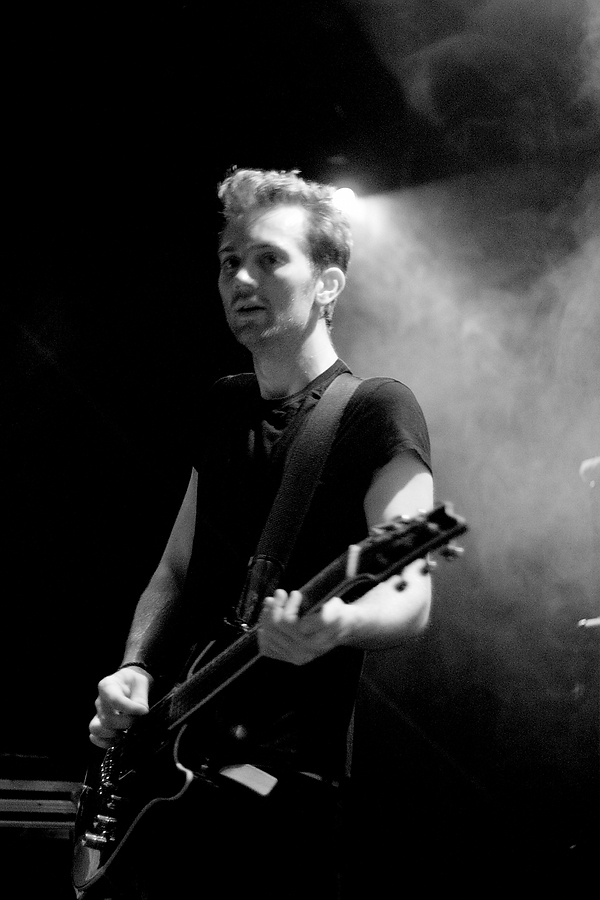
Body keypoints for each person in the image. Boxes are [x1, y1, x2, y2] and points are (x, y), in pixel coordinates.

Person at [86, 168, 434, 899]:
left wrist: (338, 621)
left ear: (328, 284)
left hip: (276, 776)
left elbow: (412, 596)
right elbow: (175, 571)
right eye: (228, 262)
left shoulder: (374, 409)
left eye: (270, 258)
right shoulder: (222, 407)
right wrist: (137, 668)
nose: (241, 277)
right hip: (176, 756)